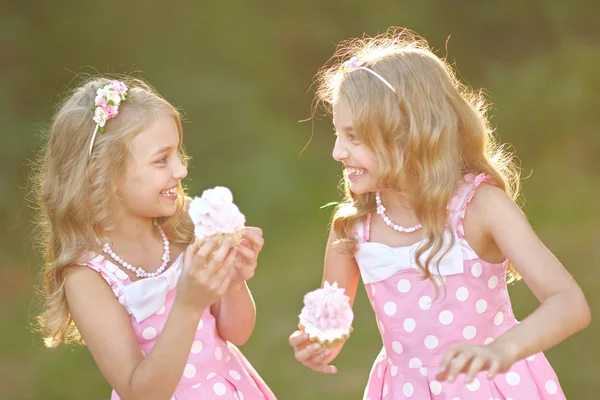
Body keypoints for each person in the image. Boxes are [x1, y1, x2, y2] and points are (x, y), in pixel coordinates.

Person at [289, 29, 590, 399]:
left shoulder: (480, 208)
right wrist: (321, 341)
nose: (337, 152)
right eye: (338, 134)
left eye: (354, 137)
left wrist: (501, 350)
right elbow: (333, 322)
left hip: (492, 388)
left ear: (409, 134)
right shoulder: (352, 229)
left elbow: (569, 302)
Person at [34, 76, 276, 400]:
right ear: (102, 176)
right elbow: (139, 392)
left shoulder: (184, 225)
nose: (180, 170)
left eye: (177, 153)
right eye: (162, 159)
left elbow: (237, 332)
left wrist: (233, 280)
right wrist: (188, 306)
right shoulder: (88, 277)